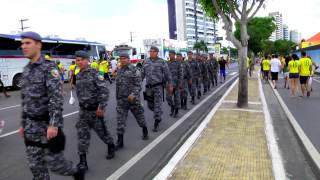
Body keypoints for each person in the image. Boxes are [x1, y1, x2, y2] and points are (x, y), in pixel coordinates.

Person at [18, 31, 84, 180]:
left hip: (46, 127)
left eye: (27, 43)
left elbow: (56, 98)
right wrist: (23, 123)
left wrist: (53, 125)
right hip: (30, 128)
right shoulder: (26, 70)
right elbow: (25, 100)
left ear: (38, 45)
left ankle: (76, 171)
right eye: (22, 43)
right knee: (36, 167)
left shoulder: (49, 68)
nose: (23, 46)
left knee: (57, 165)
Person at [74, 50, 115, 171]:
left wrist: (101, 107)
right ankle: (83, 162)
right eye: (77, 60)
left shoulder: (96, 74)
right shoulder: (78, 75)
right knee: (82, 136)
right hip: (83, 111)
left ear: (88, 61)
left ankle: (111, 145)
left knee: (102, 133)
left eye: (81, 60)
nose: (79, 62)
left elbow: (104, 91)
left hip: (95, 111)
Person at [115, 53, 149, 150]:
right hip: (122, 100)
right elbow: (118, 86)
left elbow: (138, 84)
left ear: (128, 59)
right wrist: (117, 97)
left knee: (140, 117)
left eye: (124, 58)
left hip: (133, 100)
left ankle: (144, 130)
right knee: (120, 121)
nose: (122, 60)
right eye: (120, 59)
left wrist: (133, 94)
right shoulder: (119, 70)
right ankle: (120, 141)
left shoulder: (134, 70)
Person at [141, 46, 172, 132]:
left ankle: (156, 122)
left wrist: (170, 85)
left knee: (157, 105)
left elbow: (167, 74)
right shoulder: (146, 61)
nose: (151, 53)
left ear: (157, 52)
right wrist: (138, 84)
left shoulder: (162, 62)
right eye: (150, 51)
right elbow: (142, 74)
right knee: (150, 106)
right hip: (148, 88)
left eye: (153, 51)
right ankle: (157, 113)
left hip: (158, 87)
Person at [166, 50, 183, 118]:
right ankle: (172, 107)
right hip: (169, 84)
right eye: (169, 54)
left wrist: (180, 83)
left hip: (176, 84)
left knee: (177, 99)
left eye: (171, 54)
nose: (170, 55)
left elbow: (181, 74)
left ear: (174, 55)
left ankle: (176, 111)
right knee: (168, 98)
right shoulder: (167, 63)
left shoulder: (178, 63)